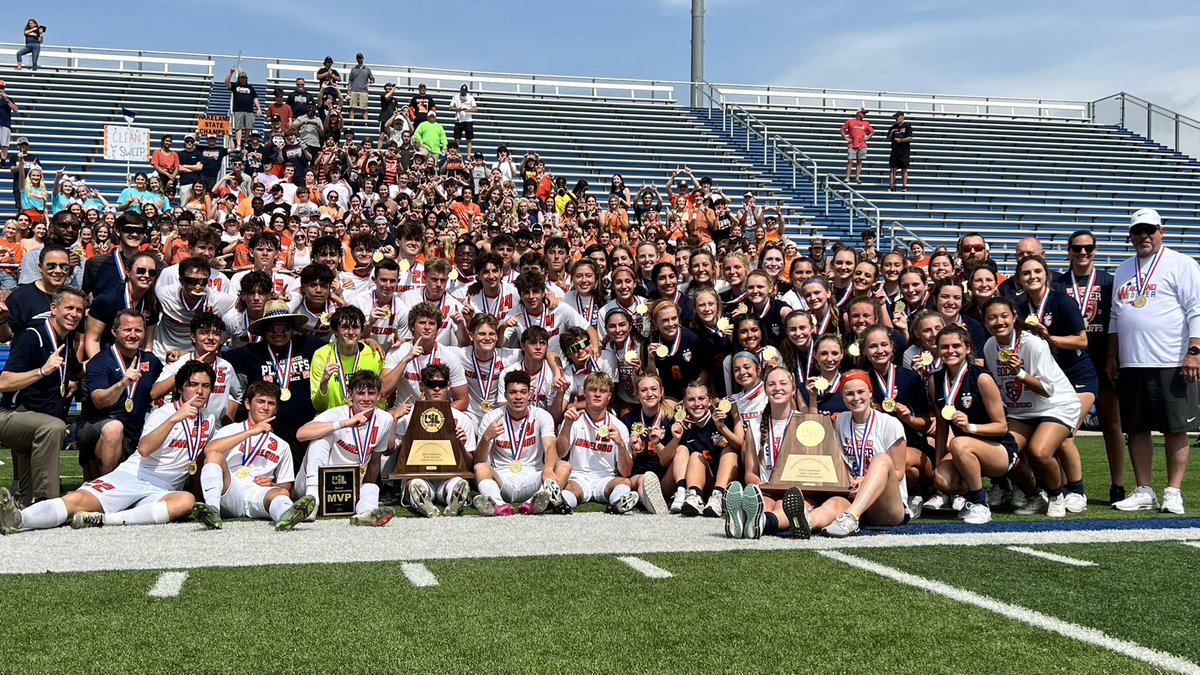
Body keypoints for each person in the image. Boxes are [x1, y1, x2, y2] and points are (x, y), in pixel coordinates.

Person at [0, 361, 215, 534]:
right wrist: (175, 419)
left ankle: (104, 520)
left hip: (162, 490)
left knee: (186, 501)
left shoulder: (209, 419)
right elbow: (145, 449)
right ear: (180, 388)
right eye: (193, 384)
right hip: (134, 477)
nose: (199, 391)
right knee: (77, 500)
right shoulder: (165, 413)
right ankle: (20, 519)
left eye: (205, 386)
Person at [1108, 208, 1200, 515]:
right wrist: (1112, 355)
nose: (1143, 236)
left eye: (1149, 230)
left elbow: (1196, 309)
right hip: (1132, 362)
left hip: (1170, 360)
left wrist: (1194, 351)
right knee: (1136, 428)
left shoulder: (1182, 264)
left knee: (1175, 428)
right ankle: (1144, 489)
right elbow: (1115, 317)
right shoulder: (1123, 269)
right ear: (1130, 235)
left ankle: (1173, 491)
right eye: (1137, 231)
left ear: (1161, 231)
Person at [981, 297, 1080, 518]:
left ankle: (1056, 496)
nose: (999, 321)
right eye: (992, 318)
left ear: (1014, 317)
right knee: (1005, 455)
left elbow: (1046, 389)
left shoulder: (1032, 343)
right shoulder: (989, 346)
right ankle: (1035, 496)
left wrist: (1019, 373)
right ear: (985, 322)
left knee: (1039, 452)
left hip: (1055, 405)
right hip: (1021, 410)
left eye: (1004, 316)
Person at [1056, 229, 1124, 503]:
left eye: (1088, 248)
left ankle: (1117, 485)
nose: (1083, 253)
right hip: (1070, 365)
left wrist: (1113, 357)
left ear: (1095, 250)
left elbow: (1117, 324)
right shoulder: (1058, 284)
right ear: (1069, 251)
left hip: (1102, 358)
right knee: (1064, 427)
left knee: (1112, 424)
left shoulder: (1109, 282)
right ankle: (1062, 485)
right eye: (1077, 248)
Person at [193, 380, 314, 531]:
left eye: (271, 403)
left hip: (258, 492)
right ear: (248, 404)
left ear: (276, 409)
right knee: (215, 456)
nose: (265, 407)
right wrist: (250, 432)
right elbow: (210, 450)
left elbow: (286, 485)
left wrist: (273, 485)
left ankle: (287, 516)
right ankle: (212, 510)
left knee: (282, 493)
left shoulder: (282, 445)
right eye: (261, 401)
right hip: (230, 489)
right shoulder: (231, 430)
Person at [0, 287, 82, 506]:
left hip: (35, 420)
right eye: (69, 308)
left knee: (24, 503)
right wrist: (42, 371)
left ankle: (24, 506)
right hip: (11, 415)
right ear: (53, 309)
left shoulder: (66, 340)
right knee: (53, 427)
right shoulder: (31, 336)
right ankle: (47, 500)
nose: (74, 314)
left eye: (79, 310)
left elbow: (77, 371)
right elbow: (4, 383)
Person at [802, 370, 909, 536]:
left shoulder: (889, 423)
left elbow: (899, 472)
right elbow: (813, 435)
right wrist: (813, 398)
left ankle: (850, 518)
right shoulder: (841, 420)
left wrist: (865, 480)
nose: (856, 398)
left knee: (881, 459)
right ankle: (805, 521)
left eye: (861, 392)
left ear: (871, 393)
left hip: (885, 507)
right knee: (833, 504)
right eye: (849, 394)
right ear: (843, 398)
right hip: (853, 497)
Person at [224, 299, 324, 468]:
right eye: (272, 327)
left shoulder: (309, 345)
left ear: (292, 328)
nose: (279, 332)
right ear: (264, 330)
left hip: (303, 430)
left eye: (284, 327)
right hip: (266, 431)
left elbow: (341, 349)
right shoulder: (250, 352)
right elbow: (216, 357)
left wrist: (368, 341)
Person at [295, 370, 396, 527]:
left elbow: (375, 460)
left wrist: (367, 486)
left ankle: (366, 513)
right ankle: (312, 503)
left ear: (378, 396)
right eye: (361, 393)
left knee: (371, 487)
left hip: (349, 490)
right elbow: (301, 434)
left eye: (371, 393)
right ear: (350, 394)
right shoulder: (337, 414)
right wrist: (345, 423)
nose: (366, 398)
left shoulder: (385, 419)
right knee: (321, 437)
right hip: (316, 484)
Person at [78, 309, 165, 479]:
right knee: (114, 428)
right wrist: (122, 384)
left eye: (138, 330)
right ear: (114, 331)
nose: (133, 335)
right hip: (97, 427)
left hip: (134, 431)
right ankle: (108, 490)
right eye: (127, 330)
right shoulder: (101, 361)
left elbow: (160, 390)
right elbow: (98, 401)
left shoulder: (150, 361)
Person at [725, 366, 810, 539]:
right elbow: (750, 473)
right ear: (765, 390)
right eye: (771, 384)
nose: (777, 388)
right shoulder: (754, 425)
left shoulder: (805, 423)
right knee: (766, 502)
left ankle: (761, 522)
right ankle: (744, 520)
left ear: (793, 389)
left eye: (783, 383)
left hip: (798, 491)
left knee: (785, 505)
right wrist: (759, 483)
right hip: (768, 489)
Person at [473, 370, 566, 516]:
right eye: (513, 392)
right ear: (505, 395)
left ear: (530, 394)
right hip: (502, 479)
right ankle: (498, 505)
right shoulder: (492, 417)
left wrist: (548, 469)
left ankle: (533, 503)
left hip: (533, 477)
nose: (518, 397)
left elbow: (550, 447)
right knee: (480, 468)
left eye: (523, 392)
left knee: (564, 466)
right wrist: (486, 438)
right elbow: (478, 461)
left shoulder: (542, 416)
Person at [392, 364, 476, 518]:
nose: (437, 389)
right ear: (422, 386)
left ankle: (454, 497)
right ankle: (425, 502)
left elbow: (469, 464)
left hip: (449, 475)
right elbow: (389, 450)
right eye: (432, 385)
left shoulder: (463, 419)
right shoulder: (407, 417)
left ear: (449, 386)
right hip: (418, 474)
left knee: (457, 482)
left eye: (441, 384)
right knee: (416, 484)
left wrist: (461, 447)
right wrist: (394, 420)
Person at [556, 373, 639, 514]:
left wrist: (620, 445)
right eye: (593, 390)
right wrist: (567, 425)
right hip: (578, 477)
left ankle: (618, 503)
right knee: (568, 489)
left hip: (605, 479)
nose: (597, 394)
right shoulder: (574, 419)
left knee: (625, 482)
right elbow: (561, 452)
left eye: (603, 391)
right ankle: (562, 504)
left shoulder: (619, 426)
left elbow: (626, 472)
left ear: (610, 396)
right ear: (584, 393)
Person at [151, 311, 240, 426]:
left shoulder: (226, 367)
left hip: (214, 431)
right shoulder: (179, 363)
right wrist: (187, 369)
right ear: (193, 337)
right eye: (204, 333)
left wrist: (228, 418)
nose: (211, 338)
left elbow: (238, 395)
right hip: (182, 430)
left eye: (216, 333)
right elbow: (155, 393)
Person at [311, 306, 384, 412]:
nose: (350, 332)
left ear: (362, 331)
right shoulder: (321, 355)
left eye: (355, 327)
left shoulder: (373, 354)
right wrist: (324, 382)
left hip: (363, 421)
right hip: (333, 421)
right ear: (335, 331)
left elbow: (379, 400)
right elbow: (318, 406)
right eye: (345, 327)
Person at [840, 108, 874, 183]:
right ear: (858, 113)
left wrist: (867, 138)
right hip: (852, 143)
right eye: (863, 113)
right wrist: (846, 138)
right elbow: (842, 129)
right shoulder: (850, 121)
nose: (864, 114)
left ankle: (857, 177)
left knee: (859, 161)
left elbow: (872, 132)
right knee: (850, 160)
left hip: (862, 144)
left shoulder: (866, 123)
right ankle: (847, 177)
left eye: (864, 113)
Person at [886, 111, 913, 192]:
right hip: (894, 150)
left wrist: (901, 140)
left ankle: (904, 186)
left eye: (897, 117)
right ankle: (891, 186)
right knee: (892, 168)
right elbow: (888, 139)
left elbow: (910, 138)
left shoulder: (907, 126)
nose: (896, 119)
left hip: (904, 151)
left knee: (904, 168)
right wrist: (891, 133)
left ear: (902, 117)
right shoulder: (893, 127)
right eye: (895, 117)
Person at [450, 84, 478, 157]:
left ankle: (469, 154)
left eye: (465, 91)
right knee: (457, 139)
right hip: (458, 120)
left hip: (468, 120)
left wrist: (468, 110)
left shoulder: (471, 97)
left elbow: (475, 109)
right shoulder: (456, 97)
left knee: (469, 139)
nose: (463, 92)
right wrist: (458, 109)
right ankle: (456, 153)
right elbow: (450, 107)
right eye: (462, 91)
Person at [346, 53, 374, 122]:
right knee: (352, 108)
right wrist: (348, 91)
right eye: (358, 58)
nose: (359, 59)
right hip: (354, 90)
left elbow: (372, 79)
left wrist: (369, 83)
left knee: (364, 108)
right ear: (356, 59)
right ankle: (351, 123)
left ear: (363, 59)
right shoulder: (353, 69)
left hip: (363, 91)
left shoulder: (367, 69)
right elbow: (350, 81)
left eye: (360, 58)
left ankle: (366, 123)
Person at [0, 82, 19, 165]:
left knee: (4, 144)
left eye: (1, 87)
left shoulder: (8, 99)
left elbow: (15, 109)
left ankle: (3, 161)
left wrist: (6, 100)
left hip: (4, 124)